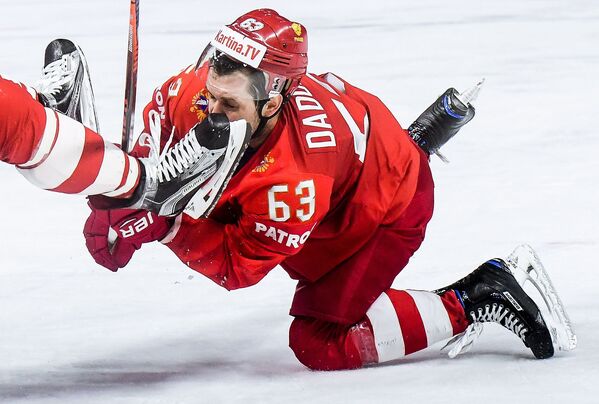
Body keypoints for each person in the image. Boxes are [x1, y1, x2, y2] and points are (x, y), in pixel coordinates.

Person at [0, 9, 574, 370]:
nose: (208, 111)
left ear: (273, 103)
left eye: (229, 106)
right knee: (138, 186)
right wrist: (126, 196)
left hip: (378, 211)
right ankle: (58, 119)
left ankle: (481, 294)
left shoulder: (295, 184)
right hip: (355, 156)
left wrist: (166, 224)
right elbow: (151, 167)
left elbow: (236, 268)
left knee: (320, 341)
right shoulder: (192, 89)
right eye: (208, 92)